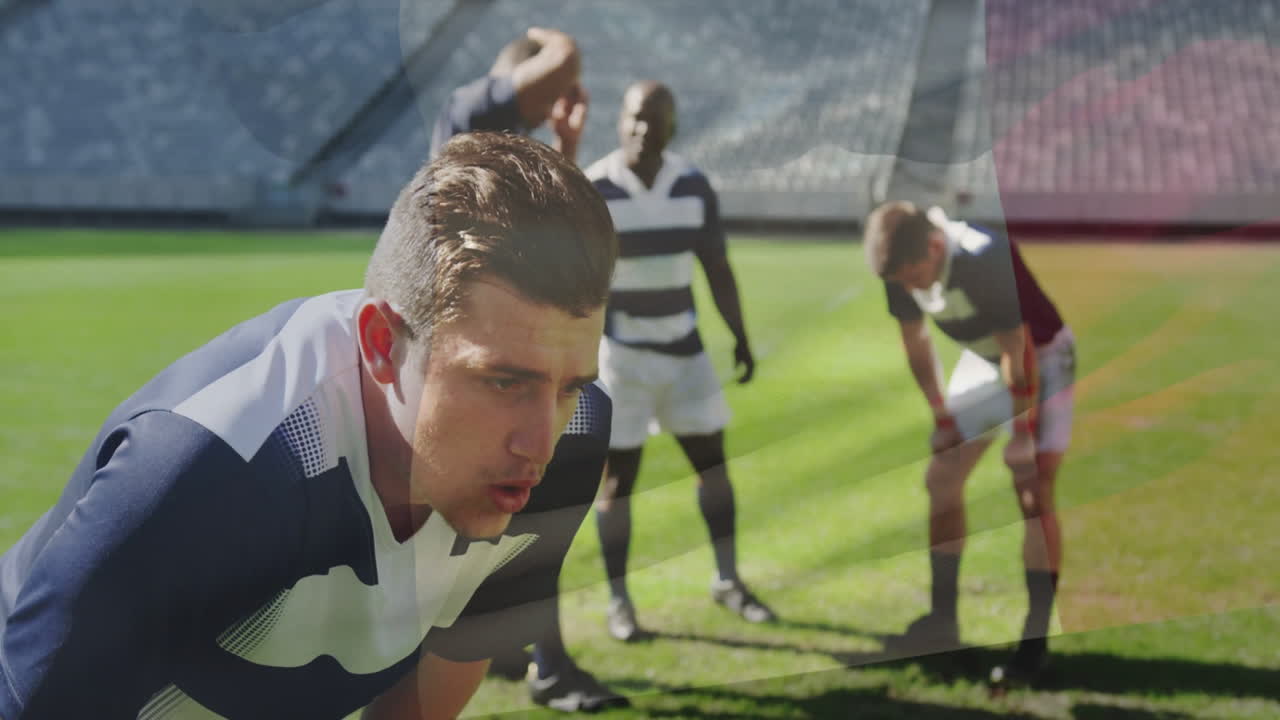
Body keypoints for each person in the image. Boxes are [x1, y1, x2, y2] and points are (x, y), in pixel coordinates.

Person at [0, 133, 617, 719]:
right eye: (503, 382)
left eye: (569, 386)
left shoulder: (575, 435)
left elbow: (463, 639)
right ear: (381, 345)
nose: (540, 443)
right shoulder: (209, 469)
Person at [429, 29, 629, 714]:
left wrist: (566, 149)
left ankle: (518, 650)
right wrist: (553, 40)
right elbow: (565, 56)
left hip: (507, 370)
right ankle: (546, 664)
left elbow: (561, 241)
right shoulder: (470, 120)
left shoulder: (513, 156)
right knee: (521, 527)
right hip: (484, 375)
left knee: (510, 529)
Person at [583, 81, 776, 645]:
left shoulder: (694, 185)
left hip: (686, 351)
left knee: (714, 470)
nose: (643, 130)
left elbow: (716, 265)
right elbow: (582, 283)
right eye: (634, 119)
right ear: (620, 122)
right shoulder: (595, 187)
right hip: (622, 359)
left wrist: (739, 336)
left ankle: (728, 579)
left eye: (655, 120)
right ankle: (620, 602)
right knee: (617, 484)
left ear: (673, 127)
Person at [863, 201, 1076, 686]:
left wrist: (1021, 437)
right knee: (941, 480)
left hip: (1040, 358)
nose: (911, 289)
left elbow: (1018, 353)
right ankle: (943, 622)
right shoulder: (898, 265)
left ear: (937, 248)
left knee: (1032, 492)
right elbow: (915, 341)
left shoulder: (984, 257)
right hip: (984, 357)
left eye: (916, 277)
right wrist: (941, 417)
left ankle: (1034, 640)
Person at [430, 26, 588, 164]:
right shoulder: (467, 110)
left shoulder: (510, 143)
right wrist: (563, 49)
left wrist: (567, 143)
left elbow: (554, 198)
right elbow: (564, 60)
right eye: (549, 100)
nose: (549, 114)